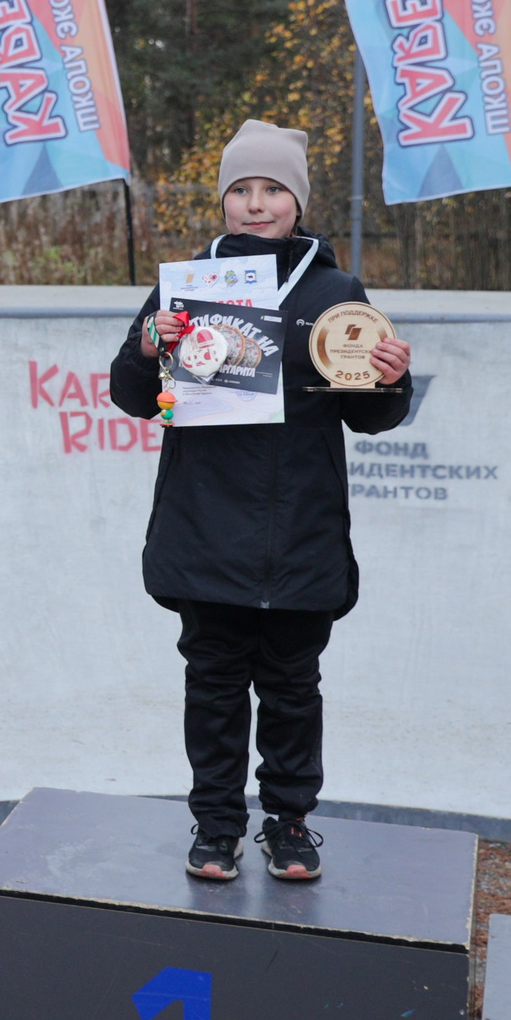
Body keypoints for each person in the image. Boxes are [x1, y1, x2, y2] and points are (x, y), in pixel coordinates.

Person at [108, 120, 413, 884]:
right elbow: (132, 396)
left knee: (292, 691)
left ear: (297, 201)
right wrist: (148, 345)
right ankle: (217, 824)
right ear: (223, 199)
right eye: (240, 189)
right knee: (212, 689)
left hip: (300, 534)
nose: (255, 203)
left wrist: (390, 377)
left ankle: (290, 823)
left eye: (272, 189)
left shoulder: (335, 292)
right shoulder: (188, 285)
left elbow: (369, 415)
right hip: (205, 529)